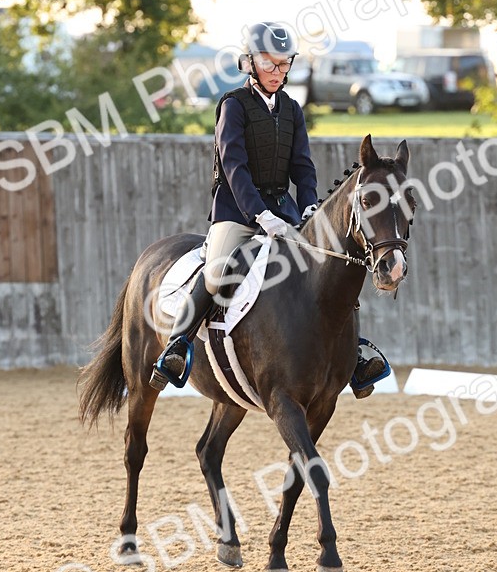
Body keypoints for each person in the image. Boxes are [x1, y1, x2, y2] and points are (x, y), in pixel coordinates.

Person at [150, 21, 389, 397]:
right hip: (238, 212)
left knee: (330, 266)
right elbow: (234, 167)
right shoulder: (233, 105)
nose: (278, 73)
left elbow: (303, 166)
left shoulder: (292, 109)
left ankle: (353, 354)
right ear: (249, 63)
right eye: (270, 64)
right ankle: (176, 347)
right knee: (216, 271)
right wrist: (260, 215)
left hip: (287, 210)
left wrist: (310, 205)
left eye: (284, 64)